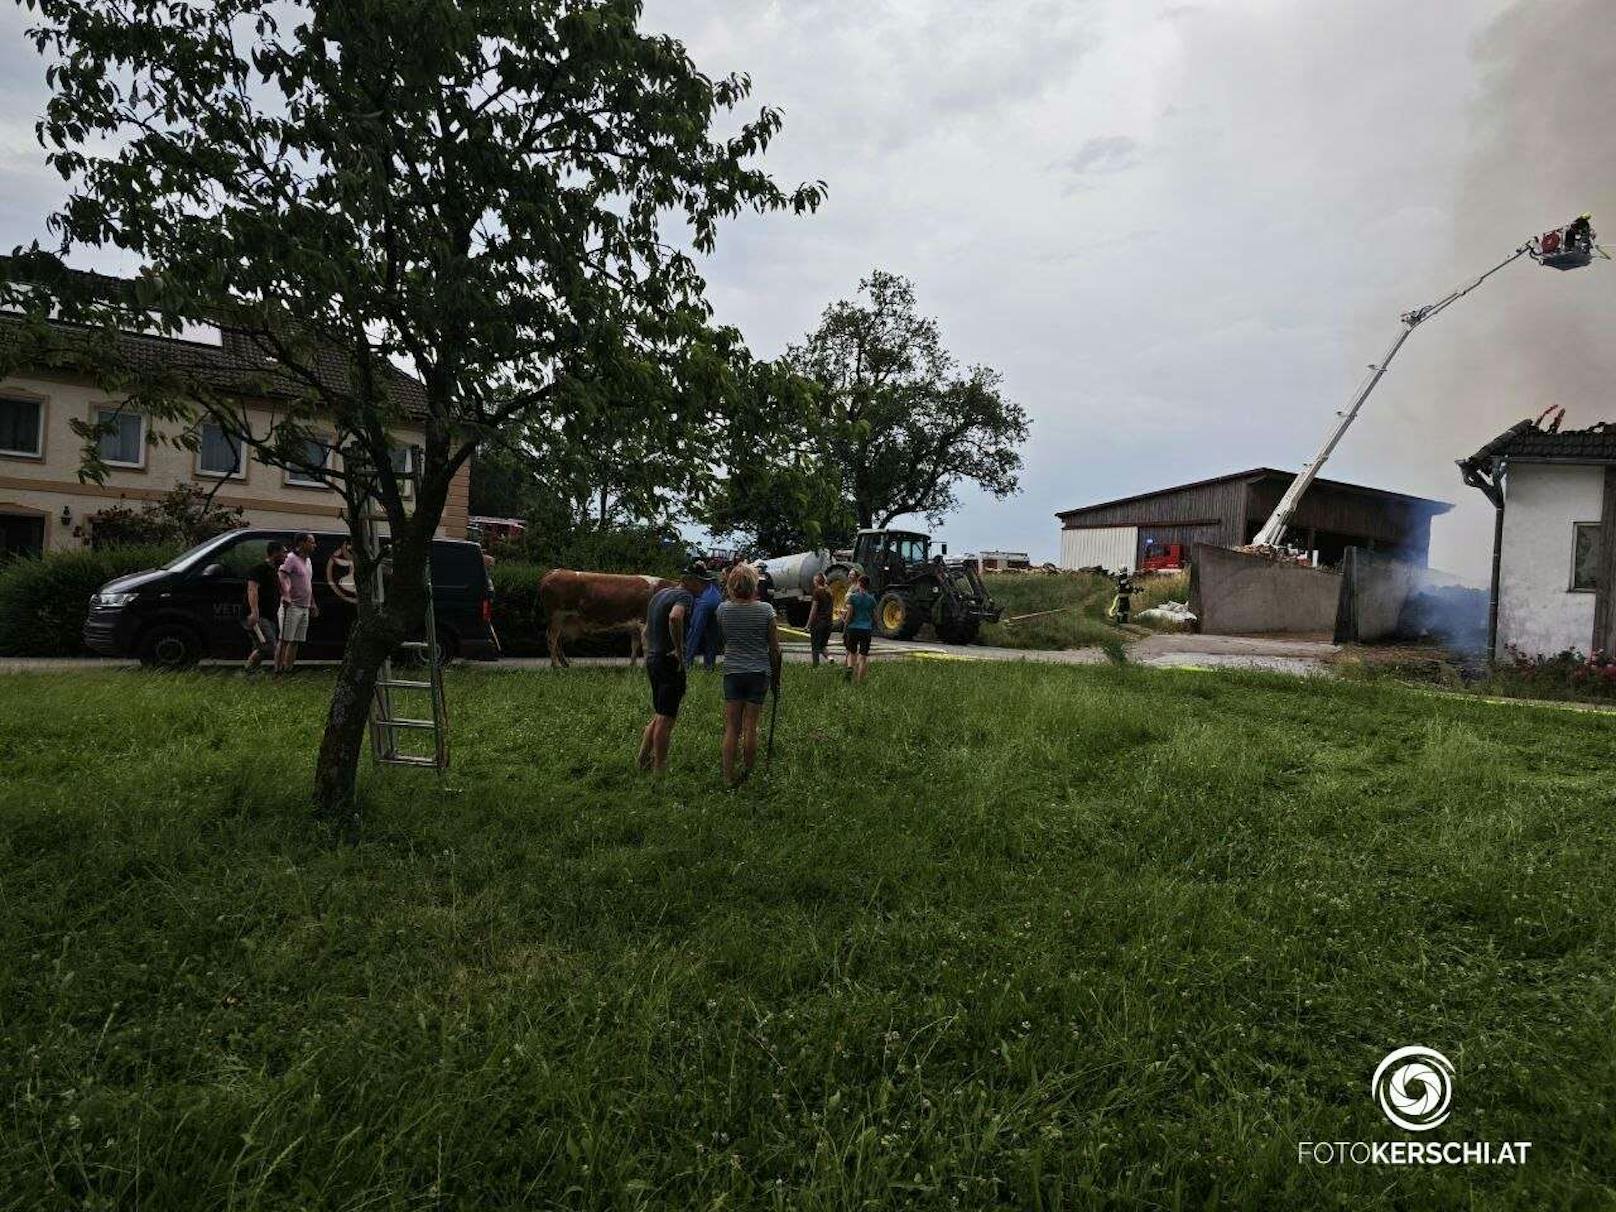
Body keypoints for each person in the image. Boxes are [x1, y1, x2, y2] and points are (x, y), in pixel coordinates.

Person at [636, 559, 712, 773]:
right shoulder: (684, 596)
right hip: (669, 662)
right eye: (701, 582)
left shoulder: (660, 595)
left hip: (654, 659)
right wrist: (679, 651)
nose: (704, 587)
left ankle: (642, 759)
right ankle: (660, 769)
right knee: (667, 719)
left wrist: (651, 651)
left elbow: (645, 631)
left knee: (660, 712)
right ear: (687, 580)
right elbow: (675, 618)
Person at [716, 562, 782, 787]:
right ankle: (749, 772)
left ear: (732, 585)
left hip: (733, 672)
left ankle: (727, 777)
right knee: (751, 726)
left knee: (732, 727)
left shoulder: (723, 609)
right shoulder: (765, 610)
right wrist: (776, 678)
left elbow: (724, 639)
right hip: (759, 672)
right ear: (754, 584)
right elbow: (775, 649)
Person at [275, 532, 319, 673]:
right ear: (301, 543)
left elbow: (308, 584)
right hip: (292, 605)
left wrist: (312, 603)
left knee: (296, 641)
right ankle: (278, 670)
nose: (314, 545)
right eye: (311, 542)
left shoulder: (308, 561)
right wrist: (286, 595)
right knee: (285, 639)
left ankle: (288, 669)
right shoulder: (291, 559)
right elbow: (282, 576)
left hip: (304, 605)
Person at [244, 540, 286, 673]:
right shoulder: (260, 569)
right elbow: (252, 589)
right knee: (269, 645)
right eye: (283, 553)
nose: (286, 556)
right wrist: (254, 612)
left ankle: (250, 674)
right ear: (275, 553)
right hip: (260, 615)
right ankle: (248, 670)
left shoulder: (274, 571)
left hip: (270, 615)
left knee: (261, 646)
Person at [842, 573, 876, 684]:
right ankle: (859, 681)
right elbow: (873, 616)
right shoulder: (872, 600)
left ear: (859, 584)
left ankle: (850, 668)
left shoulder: (853, 597)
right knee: (863, 657)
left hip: (853, 628)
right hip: (866, 629)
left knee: (852, 652)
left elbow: (850, 613)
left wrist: (845, 623)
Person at [685, 573, 723, 671]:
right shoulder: (713, 583)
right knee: (712, 636)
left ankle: (687, 664)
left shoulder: (695, 581)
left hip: (704, 602)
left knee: (694, 633)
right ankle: (709, 666)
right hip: (717, 602)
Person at [806, 571, 834, 668]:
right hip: (828, 623)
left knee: (815, 647)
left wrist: (808, 624)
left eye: (814, 580)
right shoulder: (829, 592)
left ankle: (815, 667)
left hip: (818, 623)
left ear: (817, 581)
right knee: (823, 645)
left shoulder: (817, 592)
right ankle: (830, 657)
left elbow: (813, 610)